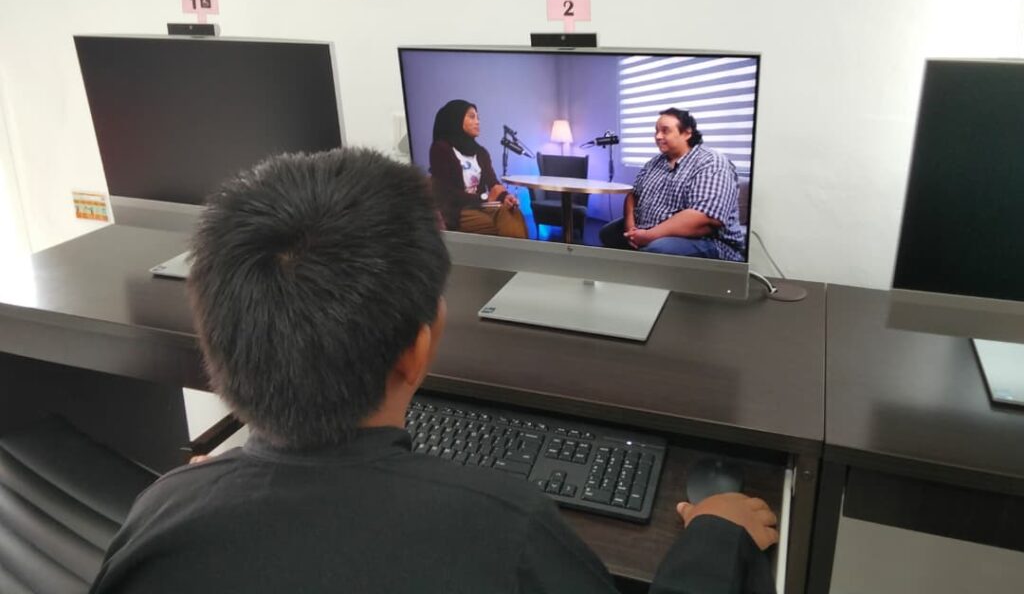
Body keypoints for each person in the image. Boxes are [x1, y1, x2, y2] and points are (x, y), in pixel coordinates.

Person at [90, 149, 777, 594]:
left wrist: (196, 488)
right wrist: (715, 536)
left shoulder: (161, 511)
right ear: (417, 351)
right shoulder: (506, 529)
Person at [600, 108, 746, 261]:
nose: (658, 136)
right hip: (650, 228)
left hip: (706, 241)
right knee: (608, 233)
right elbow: (633, 195)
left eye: (665, 131)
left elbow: (704, 219)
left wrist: (648, 236)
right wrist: (631, 229)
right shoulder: (655, 162)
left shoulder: (712, 163)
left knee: (657, 249)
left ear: (687, 133)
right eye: (656, 131)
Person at [429, 98, 528, 238]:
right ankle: (514, 251)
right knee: (494, 226)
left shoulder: (481, 152)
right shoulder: (441, 149)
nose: (477, 122)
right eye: (472, 117)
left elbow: (493, 183)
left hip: (482, 206)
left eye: (478, 117)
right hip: (457, 210)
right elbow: (447, 192)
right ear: (456, 119)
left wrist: (506, 197)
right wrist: (484, 197)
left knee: (512, 212)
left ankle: (514, 251)